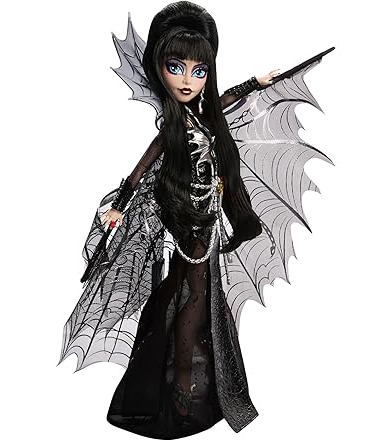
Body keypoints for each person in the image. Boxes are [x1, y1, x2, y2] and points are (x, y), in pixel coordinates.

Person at [59, 1, 334, 439]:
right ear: (159, 70)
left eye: (198, 70)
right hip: (185, 221)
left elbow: (226, 101)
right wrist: (120, 204)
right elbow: (142, 166)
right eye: (176, 67)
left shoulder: (207, 118)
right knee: (194, 295)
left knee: (190, 294)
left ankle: (173, 373)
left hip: (209, 219)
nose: (187, 80)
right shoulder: (170, 128)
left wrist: (256, 83)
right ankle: (181, 386)